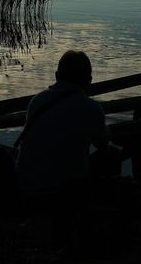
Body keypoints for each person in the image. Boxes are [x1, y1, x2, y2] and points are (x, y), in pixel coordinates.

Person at [14, 50, 109, 211]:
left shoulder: (37, 101)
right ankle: (93, 208)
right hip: (61, 194)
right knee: (111, 154)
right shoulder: (92, 108)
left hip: (26, 188)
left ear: (57, 75)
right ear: (89, 81)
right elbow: (102, 143)